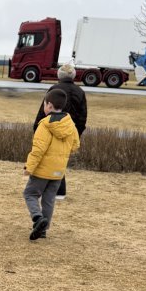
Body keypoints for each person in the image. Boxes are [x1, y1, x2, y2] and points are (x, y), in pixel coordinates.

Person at [23, 86, 79, 241]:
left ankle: (37, 219)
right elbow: (75, 146)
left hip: (42, 170)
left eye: (44, 105)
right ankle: (42, 230)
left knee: (30, 194)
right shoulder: (70, 124)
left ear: (48, 106)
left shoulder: (45, 124)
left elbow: (38, 149)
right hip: (58, 172)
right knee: (49, 199)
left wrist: (29, 167)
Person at [33, 61, 87, 200]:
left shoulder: (53, 89)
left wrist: (37, 128)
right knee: (61, 160)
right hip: (69, 131)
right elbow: (82, 117)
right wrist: (77, 134)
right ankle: (60, 192)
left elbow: (43, 111)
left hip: (50, 129)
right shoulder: (80, 92)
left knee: (47, 160)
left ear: (59, 75)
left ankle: (46, 190)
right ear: (73, 76)